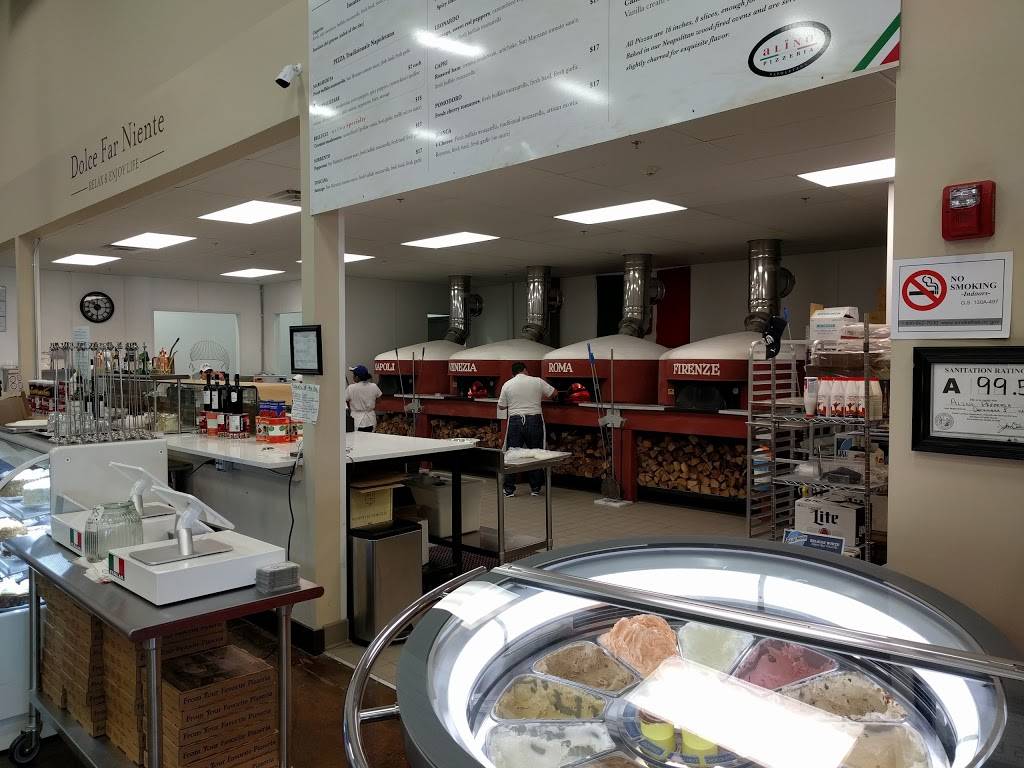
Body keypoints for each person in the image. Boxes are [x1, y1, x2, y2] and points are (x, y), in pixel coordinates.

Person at [498, 362, 556, 497]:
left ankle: (509, 490)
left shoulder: (507, 384)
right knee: (536, 452)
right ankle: (535, 488)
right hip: (534, 419)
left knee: (512, 454)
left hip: (515, 420)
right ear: (525, 370)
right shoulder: (537, 381)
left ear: (513, 373)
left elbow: (501, 406)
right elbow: (554, 393)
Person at [346, 365, 382, 432]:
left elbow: (345, 402)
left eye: (353, 375)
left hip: (356, 420)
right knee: (370, 438)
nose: (352, 376)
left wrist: (352, 406)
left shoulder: (351, 388)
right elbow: (379, 400)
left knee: (356, 438)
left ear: (357, 377)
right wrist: (369, 407)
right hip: (371, 420)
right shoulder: (374, 386)